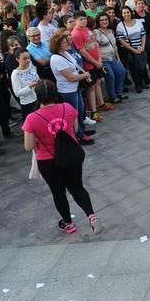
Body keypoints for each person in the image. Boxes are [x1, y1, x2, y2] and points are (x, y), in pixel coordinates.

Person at [23, 80, 103, 235]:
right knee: (77, 188)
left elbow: (28, 146)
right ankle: (91, 216)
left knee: (58, 192)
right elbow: (75, 129)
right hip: (71, 156)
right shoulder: (68, 108)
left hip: (48, 161)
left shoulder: (31, 118)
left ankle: (68, 223)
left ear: (37, 95)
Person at [48, 29, 94, 145]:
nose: (68, 43)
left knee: (80, 110)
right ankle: (77, 136)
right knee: (73, 113)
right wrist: (85, 75)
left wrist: (84, 74)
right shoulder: (56, 58)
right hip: (67, 90)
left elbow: (76, 65)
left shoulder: (65, 53)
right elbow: (71, 77)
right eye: (64, 43)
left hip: (75, 87)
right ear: (57, 46)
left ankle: (81, 131)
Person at [94, 12, 128, 104]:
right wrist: (99, 60)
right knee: (111, 76)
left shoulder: (111, 31)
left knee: (122, 71)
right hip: (104, 60)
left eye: (106, 19)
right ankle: (112, 96)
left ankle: (119, 92)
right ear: (98, 21)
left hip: (113, 58)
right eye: (102, 20)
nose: (104, 21)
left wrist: (118, 58)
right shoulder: (96, 32)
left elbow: (114, 46)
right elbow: (96, 47)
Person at [116, 6, 148, 93]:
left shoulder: (138, 21)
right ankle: (137, 85)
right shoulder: (120, 25)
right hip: (129, 50)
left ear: (131, 12)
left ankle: (142, 83)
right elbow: (121, 40)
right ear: (122, 14)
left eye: (128, 12)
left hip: (140, 47)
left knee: (142, 67)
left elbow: (143, 34)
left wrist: (143, 47)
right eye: (124, 13)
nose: (126, 14)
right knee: (134, 69)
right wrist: (133, 50)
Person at [10, 47, 39, 121]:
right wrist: (29, 86)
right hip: (28, 104)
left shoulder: (31, 67)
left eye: (29, 57)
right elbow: (17, 93)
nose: (28, 60)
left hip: (38, 99)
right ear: (17, 59)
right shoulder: (15, 74)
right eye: (24, 58)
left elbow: (37, 79)